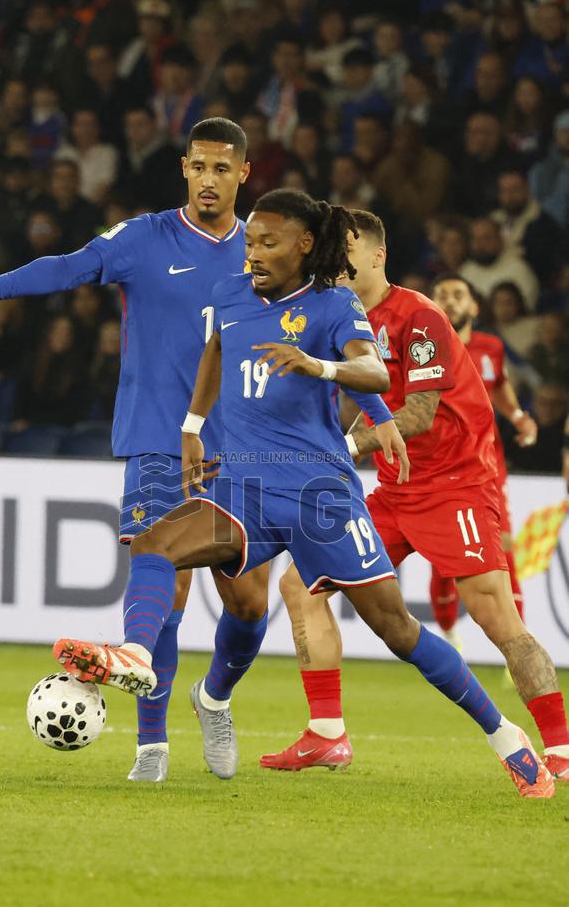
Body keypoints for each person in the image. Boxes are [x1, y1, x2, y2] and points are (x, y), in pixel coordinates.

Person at [54, 190, 553, 800]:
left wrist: (318, 367)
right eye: (250, 241)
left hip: (321, 497)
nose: (253, 252)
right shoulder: (232, 294)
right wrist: (190, 427)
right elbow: (216, 352)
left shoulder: (334, 303)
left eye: (268, 243)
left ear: (305, 246)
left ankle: (508, 739)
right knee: (155, 544)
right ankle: (134, 655)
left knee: (397, 630)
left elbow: (373, 372)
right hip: (244, 487)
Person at [0, 118, 271, 786]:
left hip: (241, 450)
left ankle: (215, 698)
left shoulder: (263, 248)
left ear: (244, 175)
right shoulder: (145, 238)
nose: (208, 180)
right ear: (184, 168)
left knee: (250, 604)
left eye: (222, 169)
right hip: (158, 441)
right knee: (163, 588)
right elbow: (68, 266)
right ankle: (151, 747)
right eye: (199, 167)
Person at [266, 209, 569, 785]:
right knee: (298, 585)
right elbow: (352, 399)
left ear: (378, 256)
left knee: (497, 619)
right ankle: (327, 734)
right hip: (395, 489)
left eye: (347, 248)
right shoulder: (340, 320)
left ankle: (560, 747)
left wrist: (348, 445)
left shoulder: (419, 317)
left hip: (457, 485)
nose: (336, 259)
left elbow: (422, 413)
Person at [428, 273, 537, 644]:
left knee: (503, 546)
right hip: (437, 466)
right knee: (445, 559)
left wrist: (519, 416)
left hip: (486, 465)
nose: (449, 300)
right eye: (441, 294)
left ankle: (518, 639)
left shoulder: (491, 348)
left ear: (474, 306)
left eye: (458, 294)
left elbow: (501, 387)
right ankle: (447, 630)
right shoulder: (421, 346)